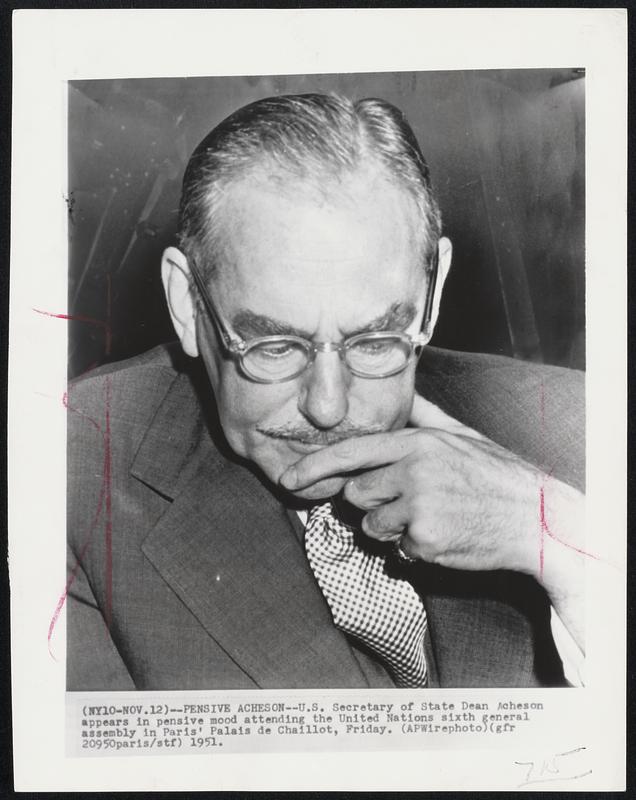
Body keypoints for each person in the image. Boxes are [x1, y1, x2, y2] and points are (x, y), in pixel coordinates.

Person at [66, 93, 586, 691]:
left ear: (435, 290)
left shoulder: (578, 430)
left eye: (374, 340)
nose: (328, 407)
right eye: (276, 346)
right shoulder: (70, 475)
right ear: (187, 304)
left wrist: (561, 540)